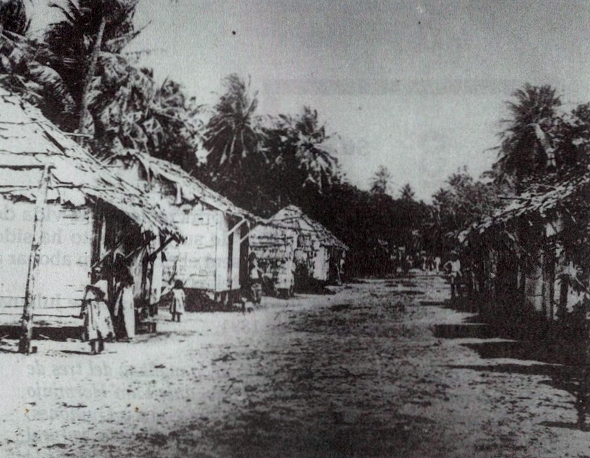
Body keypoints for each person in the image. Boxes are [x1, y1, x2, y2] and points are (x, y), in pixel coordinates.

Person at [81, 270, 115, 355]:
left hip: (100, 305)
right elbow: (84, 298)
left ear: (101, 274)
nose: (96, 274)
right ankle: (93, 349)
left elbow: (103, 294)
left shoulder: (103, 283)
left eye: (98, 272)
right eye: (95, 272)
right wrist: (82, 309)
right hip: (90, 307)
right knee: (91, 326)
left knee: (101, 326)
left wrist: (94, 288)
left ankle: (101, 347)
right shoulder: (88, 284)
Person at [113, 269, 135, 341]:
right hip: (127, 300)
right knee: (127, 317)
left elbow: (117, 294)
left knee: (125, 317)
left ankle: (126, 335)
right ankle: (127, 334)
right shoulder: (129, 286)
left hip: (124, 300)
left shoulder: (121, 285)